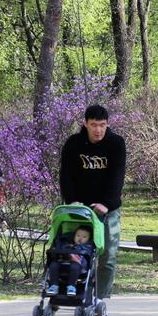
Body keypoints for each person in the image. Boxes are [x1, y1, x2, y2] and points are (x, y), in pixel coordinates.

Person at [59, 104, 126, 301]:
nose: (98, 130)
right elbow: (66, 176)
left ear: (108, 124)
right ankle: (72, 291)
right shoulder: (73, 144)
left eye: (102, 125)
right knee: (72, 252)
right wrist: (71, 201)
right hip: (79, 208)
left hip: (108, 209)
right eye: (94, 125)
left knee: (107, 257)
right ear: (85, 124)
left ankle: (101, 298)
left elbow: (118, 176)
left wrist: (106, 203)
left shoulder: (116, 143)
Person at [45, 225, 95, 297]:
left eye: (84, 237)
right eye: (78, 235)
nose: (80, 238)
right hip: (62, 264)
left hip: (79, 267)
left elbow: (84, 260)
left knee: (74, 266)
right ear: (74, 236)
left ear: (89, 239)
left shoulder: (87, 247)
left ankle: (71, 286)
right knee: (53, 264)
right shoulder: (66, 244)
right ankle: (54, 285)